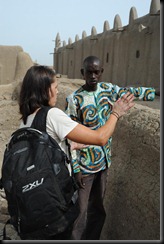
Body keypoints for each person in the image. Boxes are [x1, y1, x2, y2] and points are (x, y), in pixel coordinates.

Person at [18, 65, 134, 240]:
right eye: (55, 88)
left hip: (36, 197)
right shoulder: (52, 115)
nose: (57, 92)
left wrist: (68, 146)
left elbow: (42, 150)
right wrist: (116, 113)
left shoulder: (27, 118)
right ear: (44, 89)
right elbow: (101, 137)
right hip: (54, 198)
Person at [65, 55, 156, 240]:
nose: (93, 76)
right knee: (80, 213)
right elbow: (70, 138)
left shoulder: (109, 90)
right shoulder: (74, 99)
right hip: (84, 167)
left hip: (103, 164)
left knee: (98, 210)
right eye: (89, 72)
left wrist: (155, 92)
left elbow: (131, 92)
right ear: (82, 73)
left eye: (96, 72)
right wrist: (75, 169)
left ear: (101, 72)